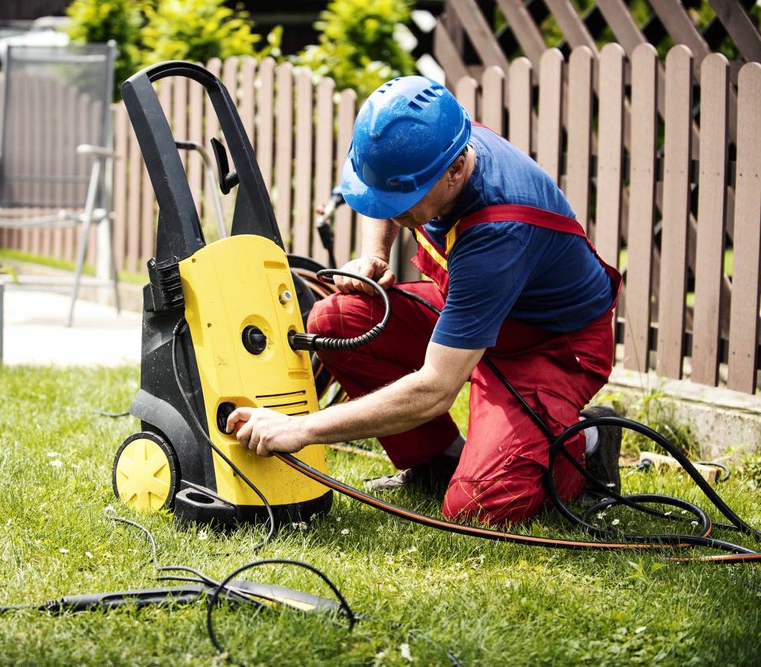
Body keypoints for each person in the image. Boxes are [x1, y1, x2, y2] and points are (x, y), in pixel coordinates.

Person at [226, 75, 623, 525]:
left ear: (455, 171)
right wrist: (375, 254)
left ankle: (586, 445)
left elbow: (435, 388)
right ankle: (439, 462)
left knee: (480, 505)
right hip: (477, 310)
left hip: (550, 346)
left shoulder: (497, 233)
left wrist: (301, 428)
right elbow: (381, 196)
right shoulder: (437, 145)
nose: (390, 211)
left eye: (403, 199)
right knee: (338, 321)